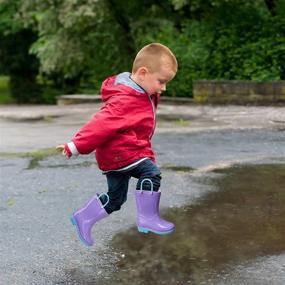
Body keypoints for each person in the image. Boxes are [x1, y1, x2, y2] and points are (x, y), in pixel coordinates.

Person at [56, 43, 178, 246]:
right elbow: (100, 124)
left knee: (115, 200)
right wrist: (75, 146)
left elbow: (144, 109)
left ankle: (83, 217)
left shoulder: (141, 91)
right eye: (161, 81)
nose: (163, 88)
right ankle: (148, 218)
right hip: (122, 153)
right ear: (142, 73)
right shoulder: (125, 100)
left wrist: (154, 90)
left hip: (119, 155)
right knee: (151, 173)